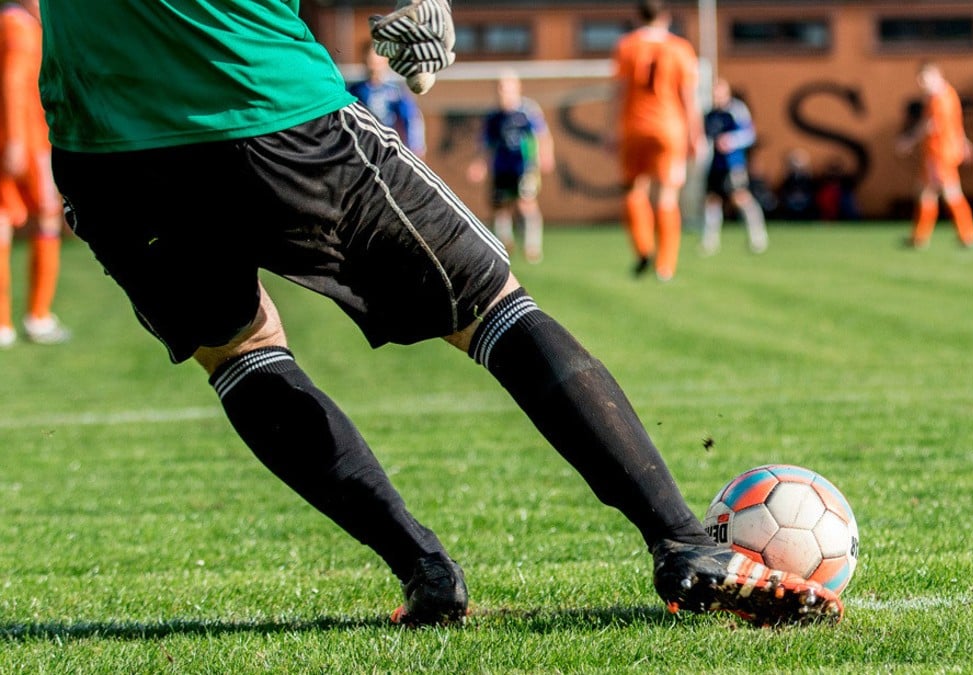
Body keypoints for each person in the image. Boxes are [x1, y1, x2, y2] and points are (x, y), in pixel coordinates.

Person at [38, 0, 842, 628]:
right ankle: (683, 542)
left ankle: (424, 569)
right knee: (491, 303)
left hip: (106, 147)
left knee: (239, 349)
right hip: (260, 96)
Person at [610, 0, 703, 281]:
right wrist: (695, 134)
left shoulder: (627, 46)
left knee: (633, 190)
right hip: (668, 128)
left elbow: (618, 93)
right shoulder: (680, 48)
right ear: (666, 16)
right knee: (667, 194)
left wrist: (610, 129)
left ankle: (642, 249)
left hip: (634, 127)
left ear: (638, 15)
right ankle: (665, 265)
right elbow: (688, 98)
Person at [0, 0, 69, 348]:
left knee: (3, 222)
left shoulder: (12, 24)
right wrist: (14, 141)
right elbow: (13, 84)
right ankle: (37, 317)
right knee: (46, 219)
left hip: (18, 138)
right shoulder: (20, 28)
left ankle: (4, 324)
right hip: (26, 142)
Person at [466, 71, 554, 264]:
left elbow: (542, 135)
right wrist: (479, 165)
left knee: (525, 203)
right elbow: (485, 144)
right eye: (500, 88)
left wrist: (546, 155)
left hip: (525, 166)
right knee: (500, 206)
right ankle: (504, 244)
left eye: (507, 88)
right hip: (501, 167)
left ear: (517, 89)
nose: (503, 92)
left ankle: (532, 247)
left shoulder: (527, 111)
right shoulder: (493, 117)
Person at [895, 61, 973, 249]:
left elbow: (931, 125)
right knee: (928, 194)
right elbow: (956, 124)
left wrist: (908, 140)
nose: (923, 84)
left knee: (949, 194)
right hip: (941, 152)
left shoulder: (939, 98)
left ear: (936, 75)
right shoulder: (948, 95)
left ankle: (967, 235)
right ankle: (921, 237)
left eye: (925, 79)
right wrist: (964, 143)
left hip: (940, 153)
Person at [700, 78, 767, 256]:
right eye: (714, 94)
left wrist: (731, 141)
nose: (716, 97)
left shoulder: (736, 110)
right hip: (715, 165)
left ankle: (757, 236)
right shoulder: (710, 114)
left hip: (733, 164)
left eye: (719, 93)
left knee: (740, 198)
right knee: (712, 200)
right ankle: (710, 242)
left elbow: (749, 134)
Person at [347, 41, 427, 158]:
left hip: (388, 150)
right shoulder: (355, 91)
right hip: (362, 149)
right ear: (364, 60)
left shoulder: (396, 92)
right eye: (371, 61)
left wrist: (416, 147)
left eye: (377, 61)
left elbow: (411, 118)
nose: (374, 66)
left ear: (385, 62)